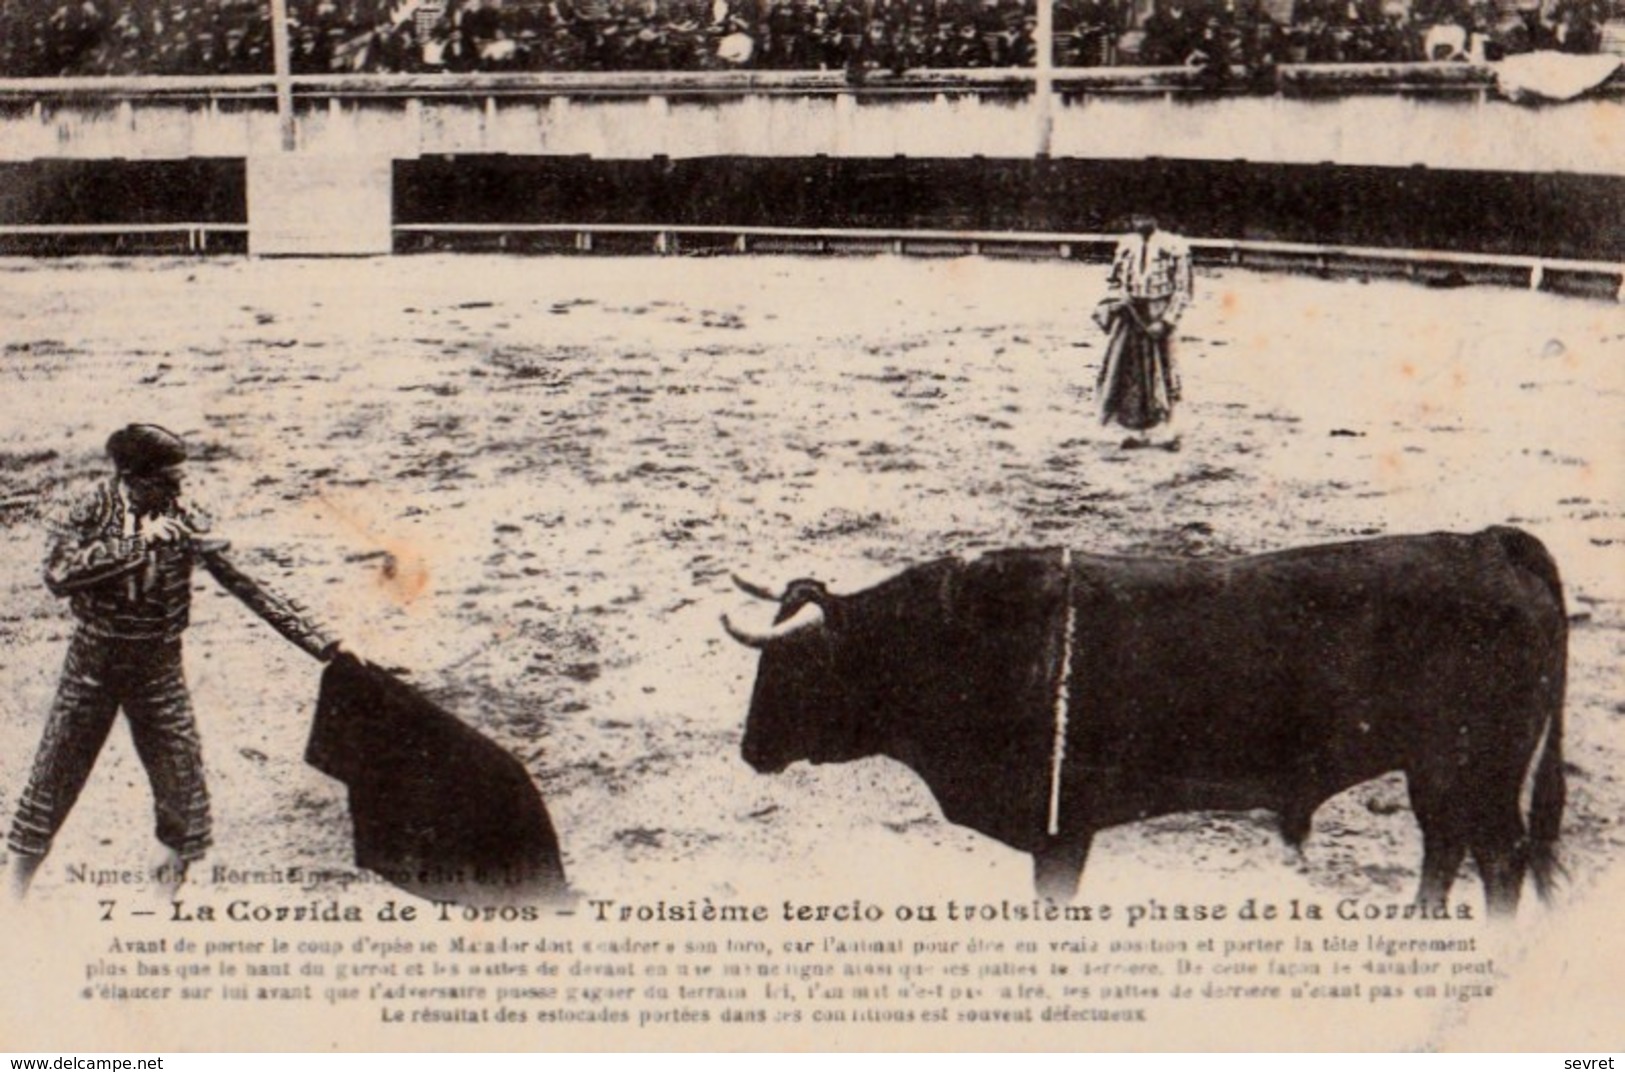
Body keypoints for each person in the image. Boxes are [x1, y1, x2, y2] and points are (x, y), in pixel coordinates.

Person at [6, 424, 353, 899]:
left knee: (184, 799)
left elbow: (249, 582)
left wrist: (324, 643)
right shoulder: (88, 508)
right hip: (93, 666)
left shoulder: (184, 514)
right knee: (53, 781)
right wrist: (138, 544)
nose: (178, 489)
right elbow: (59, 574)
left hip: (157, 669)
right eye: (167, 481)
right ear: (133, 477)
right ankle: (11, 903)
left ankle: (160, 910)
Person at [1093, 213, 1193, 450]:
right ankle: (1140, 431)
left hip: (1159, 310)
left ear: (1157, 217)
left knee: (1167, 369)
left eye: (1146, 216)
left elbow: (1183, 290)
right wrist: (1118, 300)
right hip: (1132, 313)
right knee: (1133, 373)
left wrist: (1167, 321)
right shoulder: (1126, 244)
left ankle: (1172, 431)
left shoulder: (1175, 245)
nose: (1140, 222)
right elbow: (1114, 281)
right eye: (1136, 217)